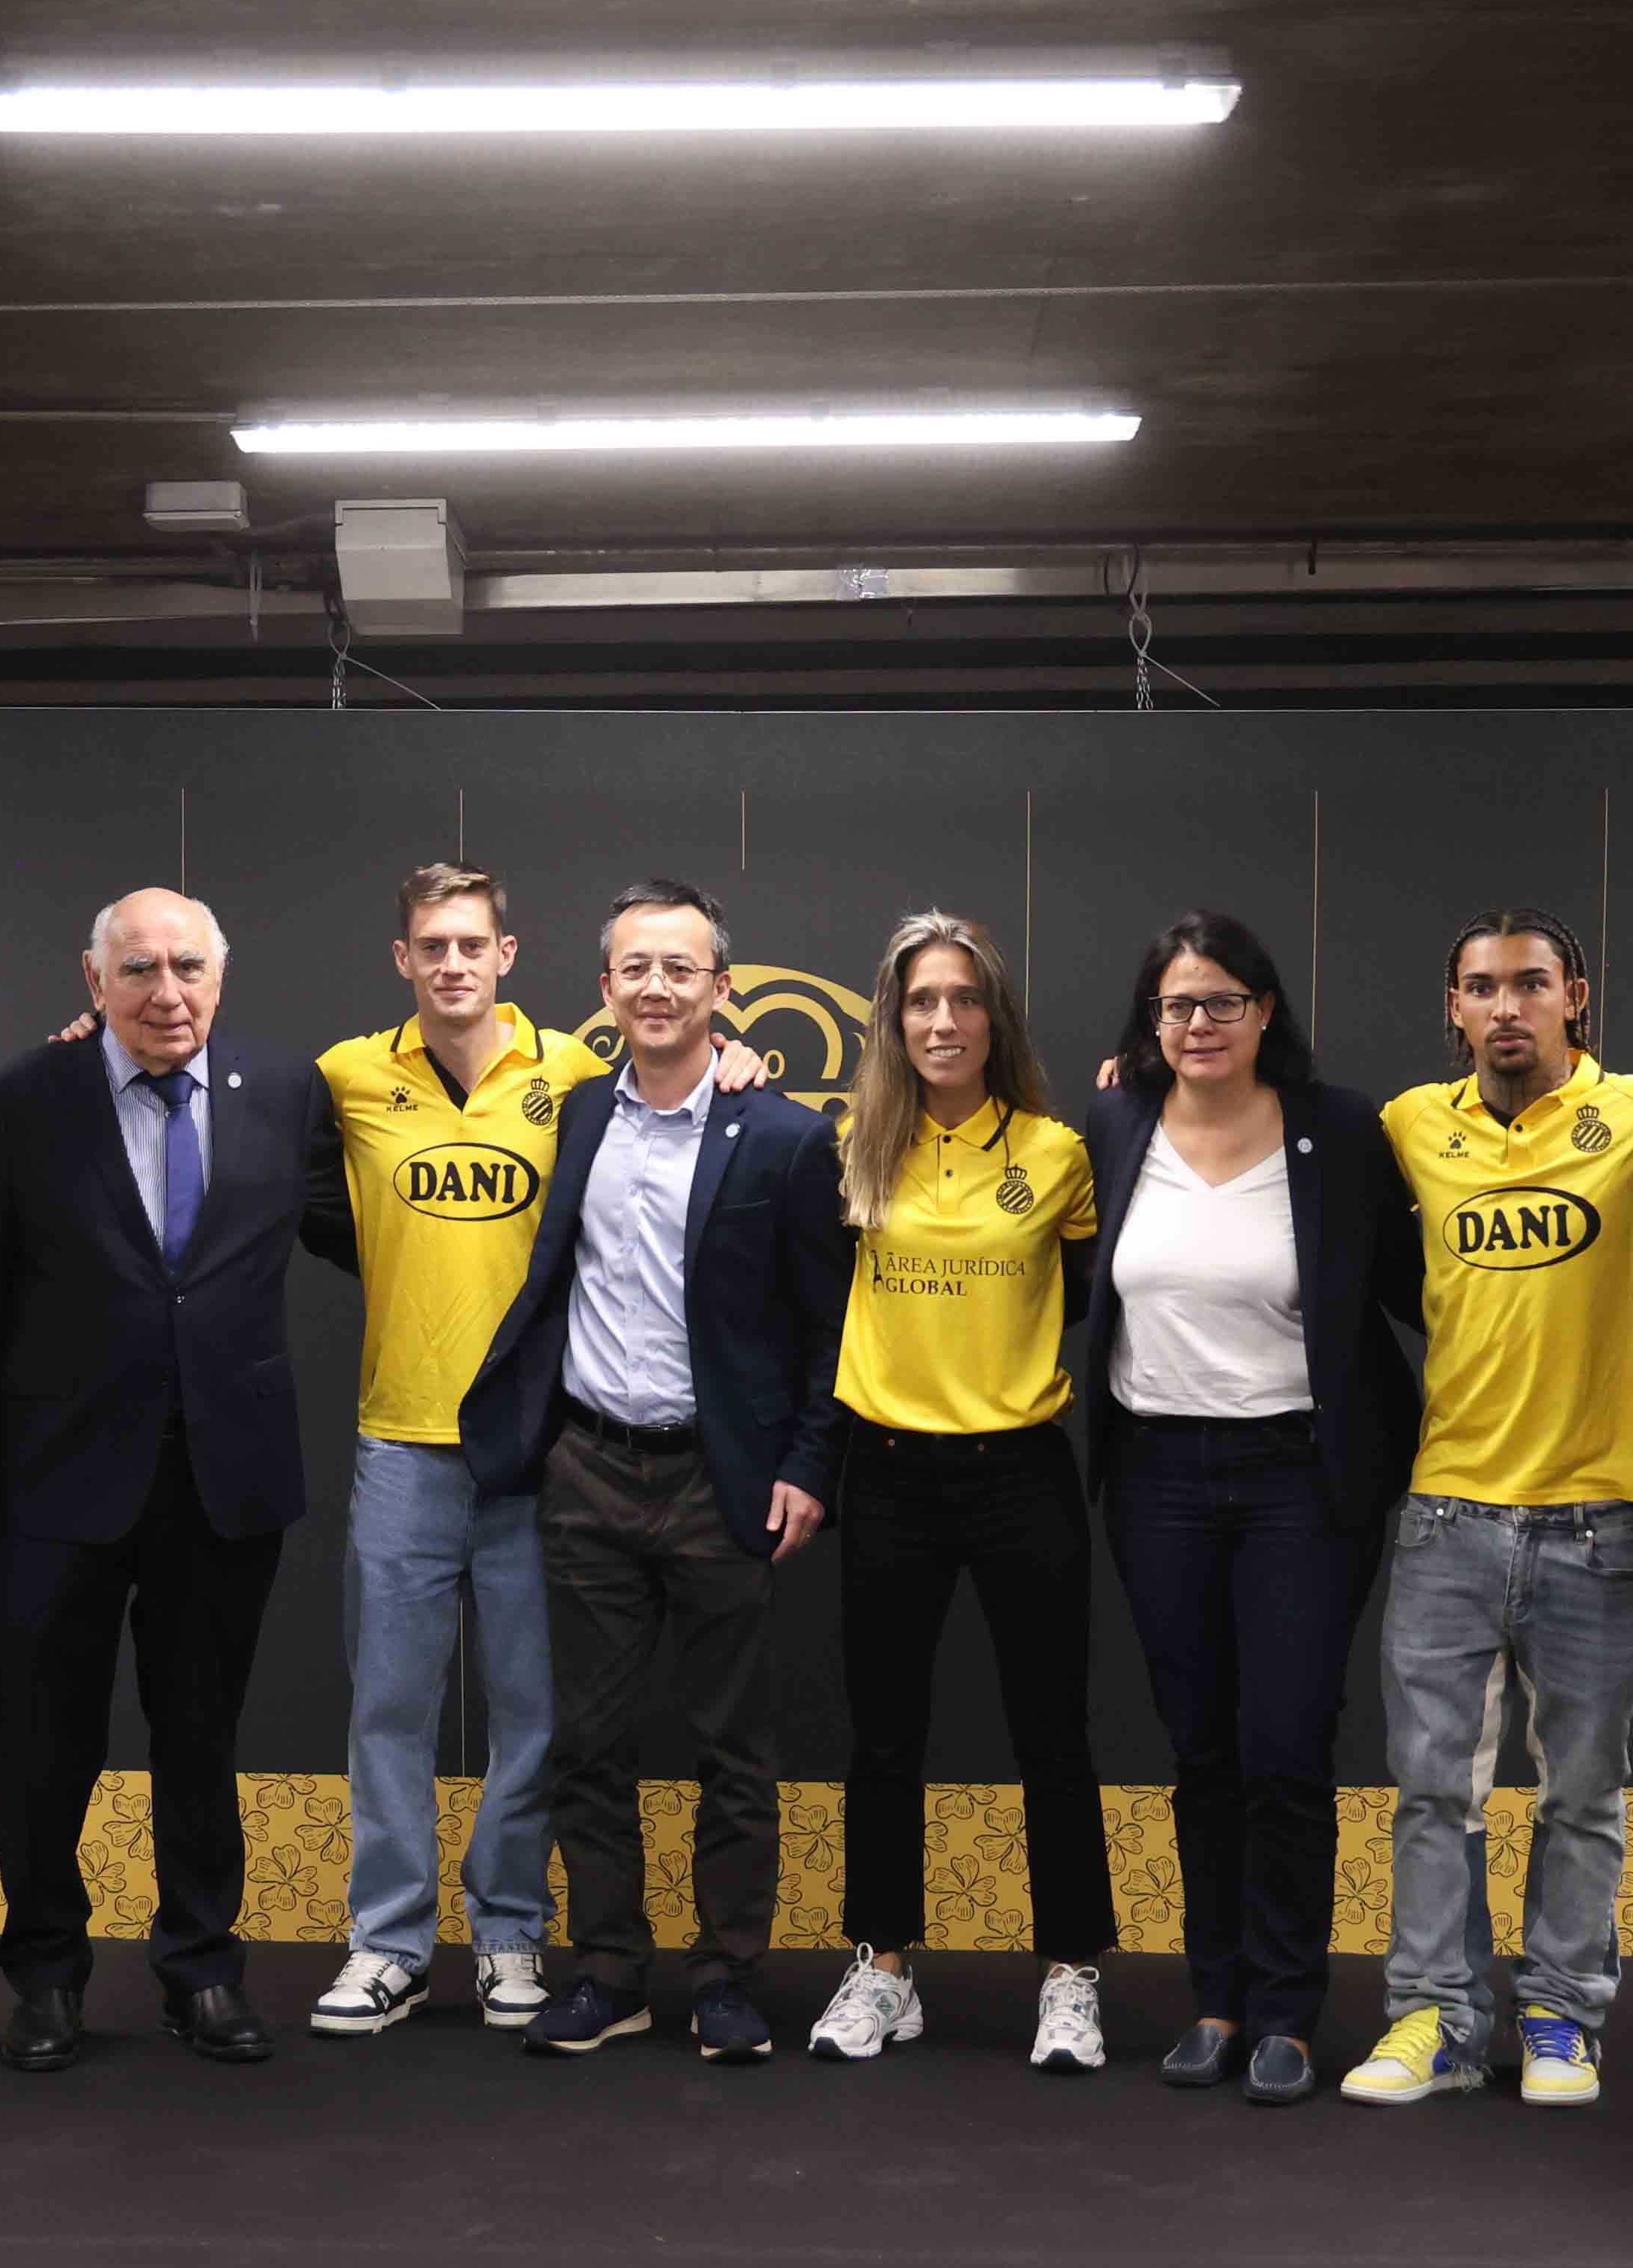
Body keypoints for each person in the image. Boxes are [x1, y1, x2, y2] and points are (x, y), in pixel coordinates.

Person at [461, 878, 849, 2062]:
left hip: (721, 1478)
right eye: (636, 967)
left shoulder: (781, 1133)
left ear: (723, 990)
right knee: (589, 1740)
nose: (659, 987)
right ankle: (612, 1970)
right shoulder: (579, 1115)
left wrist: (808, 1463)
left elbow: (831, 1323)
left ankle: (728, 1976)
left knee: (735, 1747)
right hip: (587, 1467)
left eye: (682, 968)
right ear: (605, 991)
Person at [0, 887, 313, 2071]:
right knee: (43, 1739)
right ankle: (46, 1974)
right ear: (94, 978)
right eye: (142, 969)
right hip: (59, 1479)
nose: (168, 992)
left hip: (225, 1478)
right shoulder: (16, 1104)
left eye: (189, 967)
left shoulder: (291, 1096)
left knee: (201, 1735)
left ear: (223, 972)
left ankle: (201, 1970)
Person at [1077, 912, 1421, 2109]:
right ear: (1150, 1022)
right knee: (1201, 1751)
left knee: (1287, 1748)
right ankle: (1213, 2000)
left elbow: (1411, 1294)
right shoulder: (1115, 1122)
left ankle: (1285, 2010)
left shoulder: (1342, 1128)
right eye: (1177, 1006)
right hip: (1159, 1476)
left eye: (1222, 1000)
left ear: (1267, 1009)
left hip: (1298, 1481)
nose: (1199, 1024)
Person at [1346, 910, 1633, 2114]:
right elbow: (1269, 1124)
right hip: (1449, 1513)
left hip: (1601, 1515)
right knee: (1437, 1789)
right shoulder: (1409, 1123)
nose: (1506, 1008)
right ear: (1452, 1007)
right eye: (1481, 988)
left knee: (1582, 1790)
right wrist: (1135, 1081)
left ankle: (1561, 2015)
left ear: (1573, 996)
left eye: (1530, 984)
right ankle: (1433, 2015)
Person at [296, 863, 613, 2042]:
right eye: (431, 944)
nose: (452, 963)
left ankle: (513, 1933)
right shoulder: (346, 1075)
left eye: (471, 943)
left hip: (536, 1445)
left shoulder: (576, 1071)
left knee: (532, 1710)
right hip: (401, 1440)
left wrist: (735, 1056)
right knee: (390, 1708)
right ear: (402, 959)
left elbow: (686, 1104)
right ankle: (387, 1942)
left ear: (508, 953)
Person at [802, 912, 1118, 2074]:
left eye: (964, 999)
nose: (942, 1021)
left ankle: (1072, 1973)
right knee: (885, 1737)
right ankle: (884, 1969)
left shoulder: (1055, 1150)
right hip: (888, 1473)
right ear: (892, 1020)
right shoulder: (849, 1151)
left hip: (1020, 1471)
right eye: (920, 1001)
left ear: (995, 1018)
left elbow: (1079, 1293)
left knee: (1054, 1734)